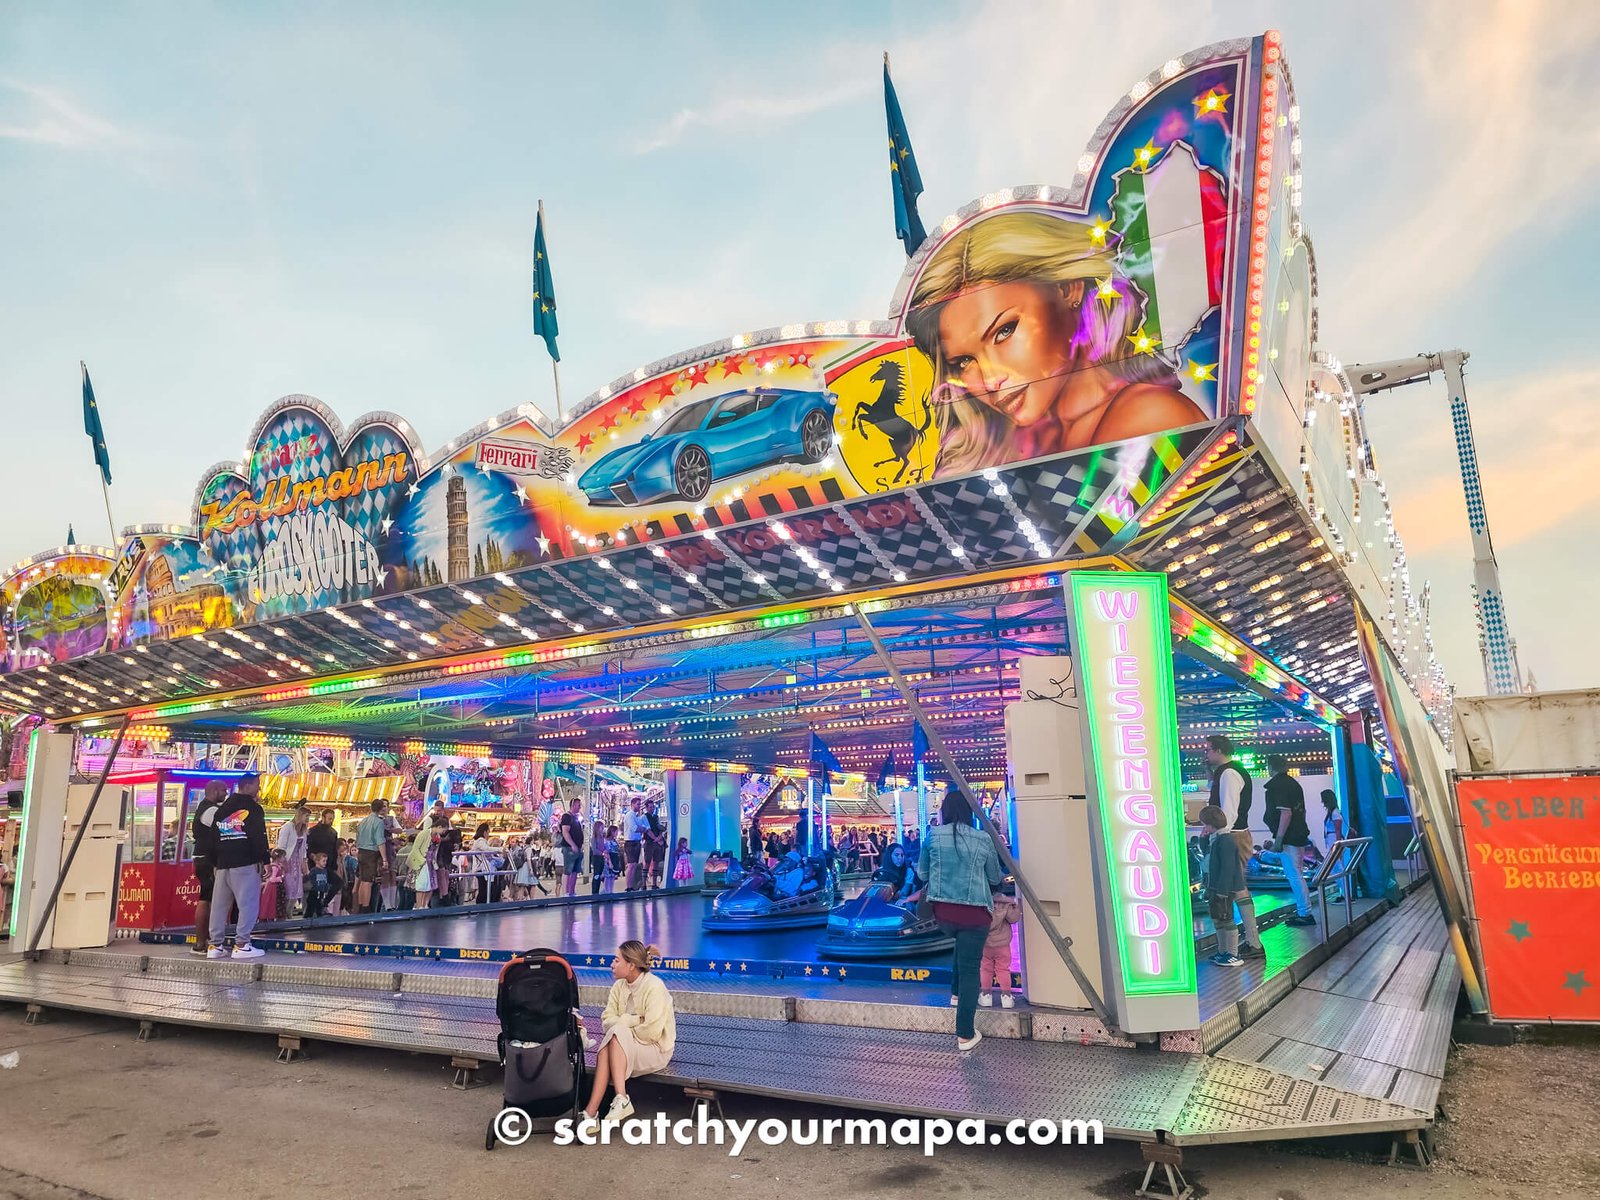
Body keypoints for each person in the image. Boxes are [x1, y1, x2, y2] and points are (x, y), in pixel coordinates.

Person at [906, 210, 1206, 478]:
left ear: (1068, 289)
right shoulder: (1003, 449)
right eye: (964, 361)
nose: (990, 379)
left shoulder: (1151, 416)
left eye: (1004, 331)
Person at [917, 790, 1002, 1053]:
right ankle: (965, 1034)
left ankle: (955, 994)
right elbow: (995, 878)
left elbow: (922, 873)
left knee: (961, 945)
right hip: (974, 914)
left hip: (943, 914)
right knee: (970, 968)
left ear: (944, 811)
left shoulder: (933, 837)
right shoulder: (983, 839)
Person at [581, 941, 676, 1126]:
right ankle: (596, 1110)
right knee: (614, 1038)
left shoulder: (654, 987)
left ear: (631, 965)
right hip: (624, 1046)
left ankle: (602, 1108)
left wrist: (623, 1026)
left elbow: (652, 1032)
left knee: (616, 1036)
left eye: (616, 960)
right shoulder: (619, 986)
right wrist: (633, 1020)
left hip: (655, 1050)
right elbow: (606, 1021)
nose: (612, 965)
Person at [1204, 735, 1263, 958]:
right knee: (1235, 888)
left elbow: (1229, 811)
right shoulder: (1227, 772)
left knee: (1235, 888)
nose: (1206, 755)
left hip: (1232, 836)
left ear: (1219, 751)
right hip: (1234, 835)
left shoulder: (1229, 773)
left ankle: (1251, 943)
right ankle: (1248, 942)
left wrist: (1217, 834)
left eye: (1208, 750)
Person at [207, 775, 269, 959]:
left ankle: (215, 946)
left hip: (223, 864)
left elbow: (212, 838)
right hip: (245, 863)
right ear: (247, 786)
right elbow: (258, 836)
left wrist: (215, 862)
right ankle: (242, 944)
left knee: (219, 906)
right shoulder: (253, 809)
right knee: (247, 904)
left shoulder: (222, 809)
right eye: (257, 785)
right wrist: (265, 860)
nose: (259, 789)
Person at [1262, 756, 1317, 927]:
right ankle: (1304, 911)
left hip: (1289, 838)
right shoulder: (1294, 784)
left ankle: (1305, 913)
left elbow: (1286, 813)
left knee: (1294, 875)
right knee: (1297, 873)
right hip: (1298, 835)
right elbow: (1302, 811)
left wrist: (1278, 840)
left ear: (1271, 767)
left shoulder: (1277, 786)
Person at [1200, 805, 1246, 967]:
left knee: (1226, 918)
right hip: (1214, 886)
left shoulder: (1225, 840)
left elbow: (1228, 867)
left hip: (1223, 888)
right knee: (1218, 918)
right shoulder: (1216, 838)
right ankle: (1223, 951)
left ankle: (1232, 953)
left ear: (1212, 824)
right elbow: (1205, 851)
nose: (1204, 828)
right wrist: (1203, 837)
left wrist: (1223, 890)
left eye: (1205, 824)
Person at [189, 780, 228, 956]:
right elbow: (226, 830)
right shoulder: (211, 811)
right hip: (207, 860)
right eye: (223, 790)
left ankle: (204, 942)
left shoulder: (204, 809)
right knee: (207, 898)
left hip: (202, 858)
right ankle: (202, 942)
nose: (226, 793)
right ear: (212, 791)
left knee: (208, 897)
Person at [980, 884, 1022, 1009]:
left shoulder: (982, 902)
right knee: (1003, 969)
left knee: (986, 969)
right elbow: (1014, 919)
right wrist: (1015, 906)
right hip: (1003, 945)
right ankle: (1007, 997)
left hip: (985, 944)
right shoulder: (1006, 904)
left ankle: (986, 995)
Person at [352, 800, 388, 913]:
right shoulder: (378, 822)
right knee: (368, 881)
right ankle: (366, 908)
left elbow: (357, 837)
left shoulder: (363, 821)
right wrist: (385, 859)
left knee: (363, 880)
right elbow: (380, 841)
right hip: (371, 853)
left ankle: (361, 905)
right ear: (381, 808)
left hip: (361, 852)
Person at [276, 803, 310, 918]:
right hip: (287, 861)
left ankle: (289, 912)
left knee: (296, 889)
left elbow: (304, 847)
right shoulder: (287, 827)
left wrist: (304, 863)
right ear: (299, 815)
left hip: (297, 862)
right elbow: (281, 846)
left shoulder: (304, 830)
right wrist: (282, 862)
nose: (308, 819)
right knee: (288, 887)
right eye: (306, 816)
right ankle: (284, 913)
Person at [558, 801, 584, 896]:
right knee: (568, 870)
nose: (579, 807)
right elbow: (565, 832)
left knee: (575, 870)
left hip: (577, 847)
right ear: (572, 805)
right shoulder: (566, 817)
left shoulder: (576, 817)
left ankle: (572, 891)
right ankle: (566, 892)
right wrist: (572, 844)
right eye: (578, 805)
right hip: (569, 848)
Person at [303, 851, 339, 919]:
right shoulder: (314, 870)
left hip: (321, 891)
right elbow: (309, 878)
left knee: (320, 905)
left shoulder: (324, 871)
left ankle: (319, 916)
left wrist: (326, 887)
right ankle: (307, 917)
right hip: (314, 891)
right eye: (323, 861)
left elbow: (325, 880)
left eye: (326, 861)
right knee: (311, 905)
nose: (325, 863)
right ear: (317, 861)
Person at [622, 798, 648, 891]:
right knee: (631, 865)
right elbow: (635, 828)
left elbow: (643, 827)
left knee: (634, 865)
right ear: (632, 804)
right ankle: (628, 886)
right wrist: (642, 829)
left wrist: (641, 828)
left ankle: (631, 886)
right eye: (638, 804)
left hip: (636, 842)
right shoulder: (629, 815)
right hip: (630, 842)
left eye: (640, 804)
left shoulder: (637, 816)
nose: (639, 806)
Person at [306, 809, 339, 874]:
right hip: (315, 864)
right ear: (323, 818)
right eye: (329, 819)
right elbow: (308, 848)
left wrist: (335, 866)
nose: (331, 821)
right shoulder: (313, 831)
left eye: (332, 819)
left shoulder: (333, 832)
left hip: (329, 865)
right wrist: (313, 857)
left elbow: (334, 850)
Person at [644, 799, 667, 889]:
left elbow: (661, 828)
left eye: (653, 807)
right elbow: (647, 830)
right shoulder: (644, 817)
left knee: (656, 862)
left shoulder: (656, 817)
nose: (652, 808)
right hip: (649, 842)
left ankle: (654, 884)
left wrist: (659, 836)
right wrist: (656, 839)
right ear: (646, 808)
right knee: (647, 862)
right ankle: (644, 884)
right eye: (650, 807)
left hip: (656, 842)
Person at [260, 850, 286, 922]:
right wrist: (280, 878)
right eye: (283, 857)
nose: (284, 858)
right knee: (271, 903)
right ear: (278, 858)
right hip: (273, 888)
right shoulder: (275, 867)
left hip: (276, 887)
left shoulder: (278, 866)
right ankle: (269, 917)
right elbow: (272, 879)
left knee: (273, 903)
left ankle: (272, 918)